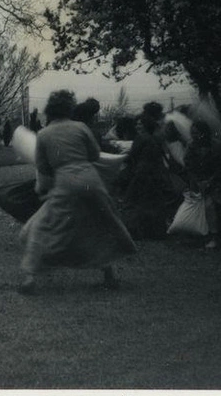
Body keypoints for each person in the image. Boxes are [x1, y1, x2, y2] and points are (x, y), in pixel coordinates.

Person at [18, 90, 137, 294]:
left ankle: (30, 277)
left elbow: (44, 168)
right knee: (100, 224)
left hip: (66, 182)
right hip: (91, 179)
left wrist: (45, 187)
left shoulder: (44, 134)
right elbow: (93, 154)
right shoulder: (80, 127)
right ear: (69, 108)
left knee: (45, 226)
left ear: (49, 111)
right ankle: (109, 275)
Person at [122, 113, 180, 239]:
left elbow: (132, 155)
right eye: (137, 124)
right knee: (154, 203)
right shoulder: (157, 138)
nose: (137, 126)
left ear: (146, 126)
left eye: (140, 124)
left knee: (137, 202)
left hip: (142, 173)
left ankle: (137, 232)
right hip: (156, 173)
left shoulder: (140, 138)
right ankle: (156, 232)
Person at [183, 120, 221, 248]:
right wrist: (197, 181)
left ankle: (214, 236)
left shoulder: (215, 146)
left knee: (211, 208)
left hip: (215, 183)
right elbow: (188, 166)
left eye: (196, 133)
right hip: (198, 182)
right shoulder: (191, 146)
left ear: (204, 133)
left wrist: (210, 180)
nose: (194, 135)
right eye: (192, 133)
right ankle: (205, 235)